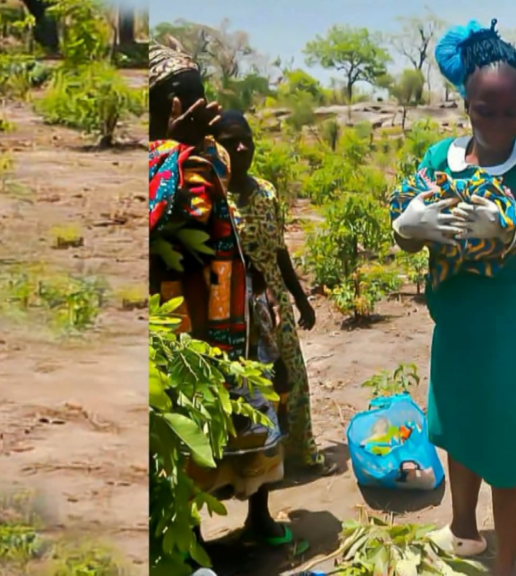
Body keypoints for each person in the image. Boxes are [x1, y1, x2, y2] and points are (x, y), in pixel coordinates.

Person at [389, 19, 516, 576]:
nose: (498, 123)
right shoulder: (437, 161)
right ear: (465, 105)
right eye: (484, 111)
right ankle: (464, 530)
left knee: (511, 452)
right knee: (463, 431)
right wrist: (411, 224)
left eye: (510, 112)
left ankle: (504, 566)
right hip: (457, 330)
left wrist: (515, 233)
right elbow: (406, 236)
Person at [148, 41, 292, 552]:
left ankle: (258, 514)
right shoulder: (152, 157)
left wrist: (259, 286)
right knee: (188, 431)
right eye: (177, 97)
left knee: (255, 410)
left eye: (198, 95)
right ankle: (188, 539)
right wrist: (170, 150)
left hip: (233, 310)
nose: (194, 108)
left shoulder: (211, 155)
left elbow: (226, 226)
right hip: (179, 322)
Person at [212, 110, 333, 475]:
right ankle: (255, 467)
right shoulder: (213, 198)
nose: (243, 146)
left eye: (246, 137)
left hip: (276, 299)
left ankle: (298, 453)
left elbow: (279, 250)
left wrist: (300, 299)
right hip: (234, 307)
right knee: (251, 386)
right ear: (216, 148)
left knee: (291, 378)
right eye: (231, 141)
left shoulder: (265, 191)